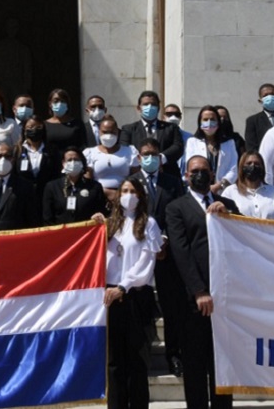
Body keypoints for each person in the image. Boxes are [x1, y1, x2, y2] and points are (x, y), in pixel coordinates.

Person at [166, 156, 239, 409]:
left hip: (224, 299)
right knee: (195, 365)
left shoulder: (227, 204)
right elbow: (181, 251)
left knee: (221, 364)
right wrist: (199, 290)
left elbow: (244, 239)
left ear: (212, 174)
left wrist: (228, 215)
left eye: (204, 171)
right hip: (193, 300)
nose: (199, 175)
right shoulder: (176, 208)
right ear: (186, 175)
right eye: (194, 171)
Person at [98, 175, 162, 409]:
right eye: (124, 190)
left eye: (133, 191)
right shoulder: (110, 224)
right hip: (110, 297)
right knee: (114, 362)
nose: (128, 195)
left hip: (135, 296)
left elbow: (145, 264)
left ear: (141, 195)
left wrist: (123, 287)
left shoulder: (149, 223)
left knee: (137, 360)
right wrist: (96, 227)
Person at [138, 138, 187, 377]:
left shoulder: (172, 182)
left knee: (172, 309)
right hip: (138, 255)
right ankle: (141, 358)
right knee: (140, 309)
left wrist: (164, 240)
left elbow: (178, 213)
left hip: (166, 254)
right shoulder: (131, 184)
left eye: (154, 154)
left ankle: (174, 356)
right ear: (139, 158)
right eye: (145, 154)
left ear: (160, 158)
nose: (150, 158)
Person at [119, 90, 184, 177]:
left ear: (158, 108)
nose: (149, 107)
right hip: (138, 177)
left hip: (168, 175)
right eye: (145, 104)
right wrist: (144, 161)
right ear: (139, 108)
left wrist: (160, 159)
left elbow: (178, 146)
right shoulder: (128, 129)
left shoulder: (171, 128)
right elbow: (125, 148)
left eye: (153, 104)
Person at [42, 148, 105, 225]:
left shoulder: (95, 187)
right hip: (61, 233)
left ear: (82, 163)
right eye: (69, 160)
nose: (73, 162)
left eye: (76, 160)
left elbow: (101, 213)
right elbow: (47, 217)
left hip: (86, 233)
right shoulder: (52, 187)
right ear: (63, 163)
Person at [183, 105, 240, 189]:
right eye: (205, 120)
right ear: (200, 122)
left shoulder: (229, 143)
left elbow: (233, 169)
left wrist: (218, 186)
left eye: (212, 119)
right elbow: (190, 167)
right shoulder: (192, 142)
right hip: (199, 189)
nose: (209, 122)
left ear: (218, 122)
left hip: (223, 190)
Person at [225, 151, 274, 221]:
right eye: (249, 163)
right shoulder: (230, 192)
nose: (253, 166)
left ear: (262, 168)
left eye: (257, 164)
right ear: (242, 167)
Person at [84, 117, 141, 192]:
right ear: (99, 132)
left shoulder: (130, 151)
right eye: (105, 132)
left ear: (117, 132)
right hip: (98, 195)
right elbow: (87, 180)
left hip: (123, 195)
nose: (108, 136)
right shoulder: (90, 153)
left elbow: (136, 177)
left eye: (112, 132)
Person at [14, 115, 61, 205]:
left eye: (38, 127)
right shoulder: (17, 150)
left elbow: (56, 173)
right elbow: (14, 173)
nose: (34, 130)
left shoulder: (52, 150)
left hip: (46, 196)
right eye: (30, 127)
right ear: (24, 130)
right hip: (23, 196)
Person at [243, 83, 274, 153]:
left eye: (273, 94)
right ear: (260, 101)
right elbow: (251, 147)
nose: (270, 97)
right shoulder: (253, 121)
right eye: (265, 95)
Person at [43, 88, 86, 154]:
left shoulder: (77, 124)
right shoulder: (44, 125)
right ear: (50, 104)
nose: (59, 103)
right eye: (56, 101)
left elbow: (83, 145)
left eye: (63, 101)